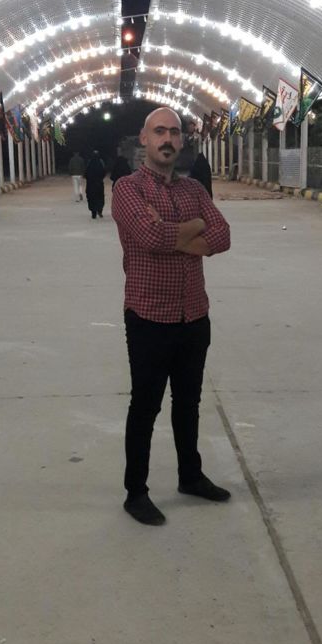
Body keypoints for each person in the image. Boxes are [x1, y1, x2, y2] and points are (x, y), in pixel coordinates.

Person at [111, 107, 231, 526]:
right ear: (144, 139)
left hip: (193, 315)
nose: (167, 139)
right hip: (149, 316)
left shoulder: (194, 189)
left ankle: (190, 476)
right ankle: (136, 492)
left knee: (189, 402)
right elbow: (149, 235)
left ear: (182, 141)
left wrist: (177, 230)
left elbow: (222, 235)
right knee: (145, 406)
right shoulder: (127, 189)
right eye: (159, 131)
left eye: (174, 132)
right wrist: (193, 229)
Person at [84, 150, 106, 218]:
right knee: (100, 197)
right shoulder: (101, 162)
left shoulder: (90, 162)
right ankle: (100, 210)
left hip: (90, 184)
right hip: (99, 183)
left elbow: (86, 173)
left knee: (91, 197)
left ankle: (93, 212)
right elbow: (104, 172)